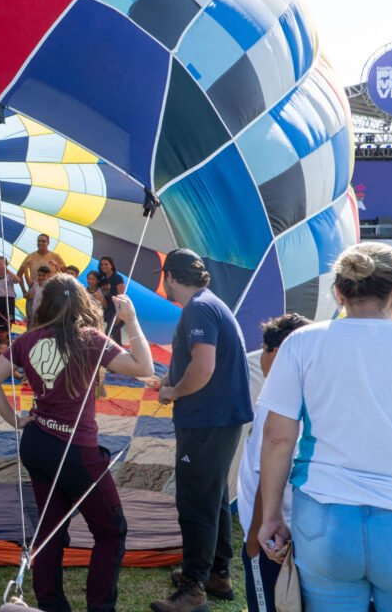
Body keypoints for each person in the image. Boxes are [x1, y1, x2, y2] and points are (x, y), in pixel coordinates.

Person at [0, 274, 159, 612]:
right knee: (111, 531)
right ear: (81, 304)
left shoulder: (27, 340)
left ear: (45, 304)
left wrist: (16, 421)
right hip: (75, 451)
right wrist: (132, 320)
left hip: (37, 444)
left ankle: (51, 604)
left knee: (50, 529)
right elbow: (144, 366)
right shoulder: (90, 339)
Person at [256, 243, 392, 611]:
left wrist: (271, 515)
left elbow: (277, 438)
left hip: (323, 519)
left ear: (338, 291)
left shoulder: (303, 342)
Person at [152, 249, 254, 612]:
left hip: (207, 419)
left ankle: (193, 591)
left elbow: (205, 365)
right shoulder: (210, 304)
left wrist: (173, 391)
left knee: (195, 502)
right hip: (219, 418)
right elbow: (202, 360)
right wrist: (173, 376)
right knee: (213, 499)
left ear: (171, 276)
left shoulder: (198, 308)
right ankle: (217, 574)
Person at [237, 313, 310, 612]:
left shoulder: (275, 402)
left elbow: (266, 476)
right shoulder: (314, 395)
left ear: (276, 353)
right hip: (301, 532)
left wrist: (254, 542)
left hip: (272, 540)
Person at [21, 234, 65, 322]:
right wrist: (24, 291)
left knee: (48, 322)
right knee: (32, 324)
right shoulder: (30, 257)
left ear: (48, 243)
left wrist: (56, 265)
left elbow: (66, 275)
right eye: (39, 241)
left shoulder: (56, 256)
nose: (40, 243)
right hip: (33, 295)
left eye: (43, 241)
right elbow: (20, 275)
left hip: (50, 295)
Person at [0, 256, 21, 366]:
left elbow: (18, 280)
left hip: (9, 301)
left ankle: (8, 352)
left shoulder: (9, 276)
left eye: (2, 264)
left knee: (8, 325)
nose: (0, 266)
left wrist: (7, 270)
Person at [97, 256, 127, 343]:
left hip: (118, 312)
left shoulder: (117, 278)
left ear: (111, 265)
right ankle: (121, 354)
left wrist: (119, 314)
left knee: (108, 334)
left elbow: (122, 297)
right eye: (102, 265)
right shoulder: (103, 281)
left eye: (106, 264)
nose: (103, 266)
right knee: (116, 340)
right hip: (109, 312)